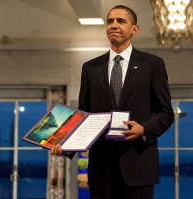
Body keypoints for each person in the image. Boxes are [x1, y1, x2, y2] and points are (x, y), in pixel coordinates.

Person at [51, 5, 174, 199]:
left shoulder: (152, 64)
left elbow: (166, 113)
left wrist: (144, 129)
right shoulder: (90, 68)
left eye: (121, 21)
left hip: (138, 166)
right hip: (101, 171)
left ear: (135, 29)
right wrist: (65, 145)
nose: (113, 25)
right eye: (110, 21)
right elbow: (84, 116)